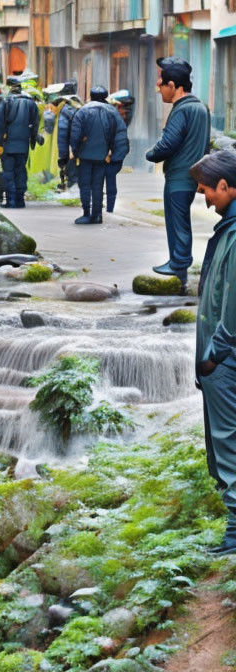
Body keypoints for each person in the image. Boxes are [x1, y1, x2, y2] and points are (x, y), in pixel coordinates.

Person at [190, 149, 236, 554]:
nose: (203, 197)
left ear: (227, 186)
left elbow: (234, 306)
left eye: (207, 190)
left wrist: (213, 355)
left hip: (224, 359)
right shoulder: (230, 228)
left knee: (228, 440)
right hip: (220, 357)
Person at [146, 56, 211, 287]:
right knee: (181, 221)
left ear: (173, 86)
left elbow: (168, 143)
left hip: (178, 177)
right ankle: (179, 269)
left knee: (177, 222)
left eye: (161, 85)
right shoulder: (201, 108)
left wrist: (150, 155)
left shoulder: (181, 110)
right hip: (192, 175)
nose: (159, 89)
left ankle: (178, 263)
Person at [69, 86, 124, 224]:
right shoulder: (112, 112)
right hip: (103, 156)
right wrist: (115, 154)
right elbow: (121, 134)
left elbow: (75, 135)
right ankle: (98, 214)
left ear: (91, 96)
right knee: (98, 186)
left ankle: (86, 213)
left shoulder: (82, 111)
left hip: (85, 155)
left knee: (85, 185)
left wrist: (74, 152)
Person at [0, 76, 40, 208]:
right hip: (23, 144)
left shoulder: (5, 102)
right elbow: (35, 124)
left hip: (8, 144)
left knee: (8, 172)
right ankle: (21, 200)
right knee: (21, 171)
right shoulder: (30, 103)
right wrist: (32, 141)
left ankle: (11, 200)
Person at [55, 80, 83, 190]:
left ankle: (73, 190)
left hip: (70, 148)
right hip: (83, 146)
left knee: (71, 170)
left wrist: (63, 155)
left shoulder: (65, 109)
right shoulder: (80, 105)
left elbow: (62, 132)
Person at [104, 95, 130, 213]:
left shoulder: (108, 116)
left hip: (111, 154)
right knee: (110, 180)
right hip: (116, 153)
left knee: (103, 180)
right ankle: (109, 208)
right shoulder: (117, 118)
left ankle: (104, 208)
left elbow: (108, 136)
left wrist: (108, 153)